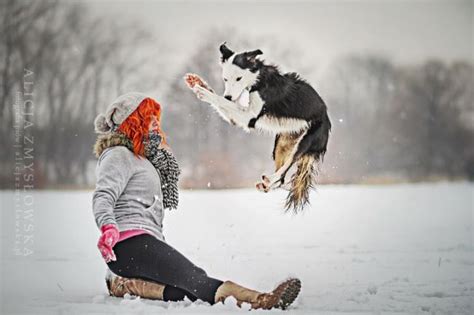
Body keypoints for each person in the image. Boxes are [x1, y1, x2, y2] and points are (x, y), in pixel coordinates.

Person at [92, 92, 301, 310]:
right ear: (132, 121)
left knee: (185, 289)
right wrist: (108, 226)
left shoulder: (143, 159)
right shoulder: (118, 154)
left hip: (142, 242)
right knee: (194, 278)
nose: (155, 122)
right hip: (128, 243)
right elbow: (103, 195)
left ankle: (124, 285)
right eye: (147, 116)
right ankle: (261, 300)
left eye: (156, 116)